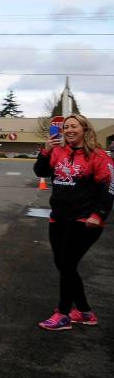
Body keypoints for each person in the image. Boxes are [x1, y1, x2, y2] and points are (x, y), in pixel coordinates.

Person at [33, 114, 112, 331]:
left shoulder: (98, 156)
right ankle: (85, 312)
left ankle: (64, 314)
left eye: (74, 126)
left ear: (85, 129)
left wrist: (100, 213)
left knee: (67, 264)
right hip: (58, 218)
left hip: (84, 220)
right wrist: (46, 150)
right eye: (66, 126)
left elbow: (109, 187)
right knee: (64, 266)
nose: (69, 130)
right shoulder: (58, 151)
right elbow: (40, 171)